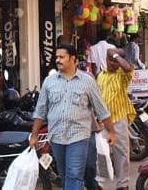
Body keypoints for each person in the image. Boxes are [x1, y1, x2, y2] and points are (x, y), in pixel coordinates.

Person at [30, 45, 116, 190]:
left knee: (74, 174)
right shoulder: (49, 82)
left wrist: (112, 131)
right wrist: (34, 135)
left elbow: (101, 109)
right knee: (64, 176)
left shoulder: (87, 81)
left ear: (73, 59)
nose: (57, 60)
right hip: (56, 136)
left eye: (62, 57)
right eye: (56, 57)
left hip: (79, 136)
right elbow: (40, 111)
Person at [96, 48, 135, 190]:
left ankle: (123, 184)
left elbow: (127, 67)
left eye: (115, 61)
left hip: (118, 118)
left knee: (122, 153)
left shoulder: (123, 75)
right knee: (101, 152)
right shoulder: (101, 76)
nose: (112, 63)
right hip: (103, 120)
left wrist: (116, 56)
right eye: (109, 60)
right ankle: (100, 183)